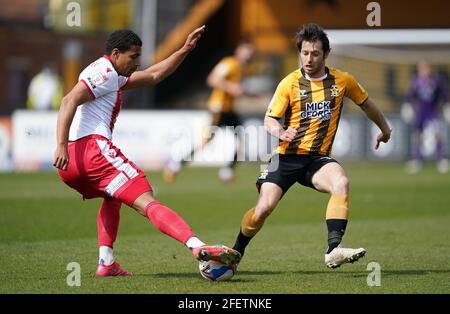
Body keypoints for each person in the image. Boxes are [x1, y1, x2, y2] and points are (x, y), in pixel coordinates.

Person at [53, 26, 241, 277]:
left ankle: (106, 262)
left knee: (114, 196)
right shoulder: (103, 71)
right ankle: (197, 246)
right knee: (146, 199)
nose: (137, 63)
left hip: (73, 166)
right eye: (133, 57)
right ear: (116, 53)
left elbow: (154, 75)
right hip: (91, 152)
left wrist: (185, 49)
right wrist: (61, 144)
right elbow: (68, 100)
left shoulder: (112, 75)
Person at [231, 23, 392, 269]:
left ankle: (333, 250)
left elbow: (367, 104)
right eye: (304, 53)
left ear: (326, 54)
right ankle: (236, 251)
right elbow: (269, 119)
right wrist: (281, 132)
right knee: (263, 209)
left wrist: (385, 129)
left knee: (342, 183)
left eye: (315, 53)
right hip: (285, 157)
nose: (309, 58)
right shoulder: (289, 83)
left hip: (317, 159)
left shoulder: (343, 81)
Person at [163, 39, 255, 183]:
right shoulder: (228, 63)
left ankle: (227, 171)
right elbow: (212, 79)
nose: (249, 55)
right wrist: (231, 88)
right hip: (218, 108)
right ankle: (176, 165)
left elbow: (237, 89)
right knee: (207, 140)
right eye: (247, 51)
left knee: (241, 139)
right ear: (238, 51)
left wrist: (251, 95)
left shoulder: (242, 68)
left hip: (229, 109)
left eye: (251, 52)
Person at [401, 60, 450, 174]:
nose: (424, 71)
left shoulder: (436, 81)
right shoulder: (415, 82)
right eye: (422, 68)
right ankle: (418, 159)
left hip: (432, 111)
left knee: (437, 134)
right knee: (418, 135)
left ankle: (441, 159)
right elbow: (409, 95)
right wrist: (407, 105)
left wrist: (447, 106)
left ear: (429, 69)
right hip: (420, 112)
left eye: (426, 68)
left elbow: (444, 94)